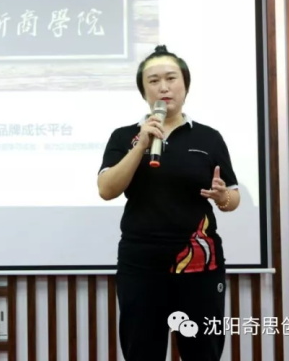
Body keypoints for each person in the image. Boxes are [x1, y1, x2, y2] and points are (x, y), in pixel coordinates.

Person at [97, 45, 241, 361]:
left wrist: (223, 197)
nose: (163, 87)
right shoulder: (123, 137)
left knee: (202, 353)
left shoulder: (208, 137)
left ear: (185, 85)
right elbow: (106, 189)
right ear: (143, 91)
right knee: (141, 352)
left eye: (171, 78)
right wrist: (141, 145)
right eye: (153, 80)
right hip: (141, 266)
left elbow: (233, 197)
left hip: (199, 264)